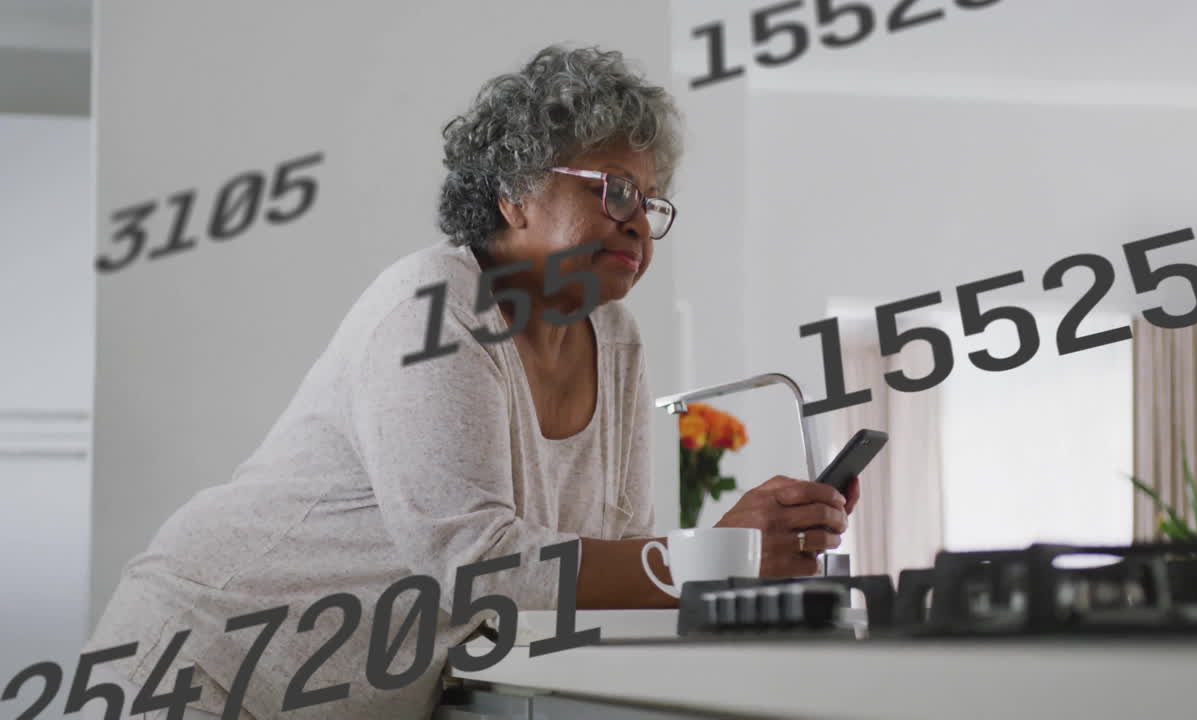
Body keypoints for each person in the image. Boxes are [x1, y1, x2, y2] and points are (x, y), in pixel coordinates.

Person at [84, 44, 861, 720]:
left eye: (649, 201)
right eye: (611, 187)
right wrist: (709, 559)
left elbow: (609, 563)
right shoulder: (436, 306)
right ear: (513, 192)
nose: (635, 218)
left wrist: (729, 557)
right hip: (195, 669)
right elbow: (477, 567)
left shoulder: (617, 339)